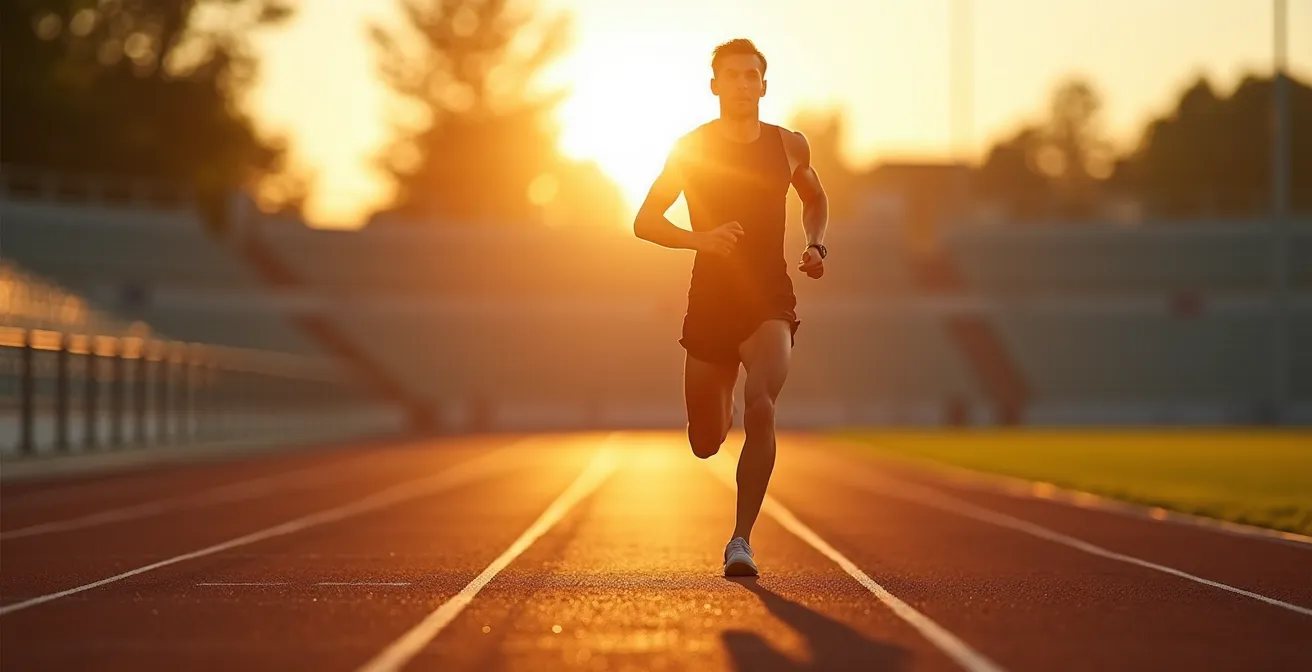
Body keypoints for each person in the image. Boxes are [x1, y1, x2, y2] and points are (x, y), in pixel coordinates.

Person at [632, 38, 829, 577]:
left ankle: (740, 539)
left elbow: (814, 198)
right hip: (711, 301)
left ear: (764, 85)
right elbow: (644, 221)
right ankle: (719, 419)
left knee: (761, 400)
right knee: (705, 441)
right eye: (732, 76)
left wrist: (815, 244)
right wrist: (702, 239)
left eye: (752, 76)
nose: (742, 85)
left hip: (769, 295)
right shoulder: (690, 149)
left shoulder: (790, 146)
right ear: (714, 85)